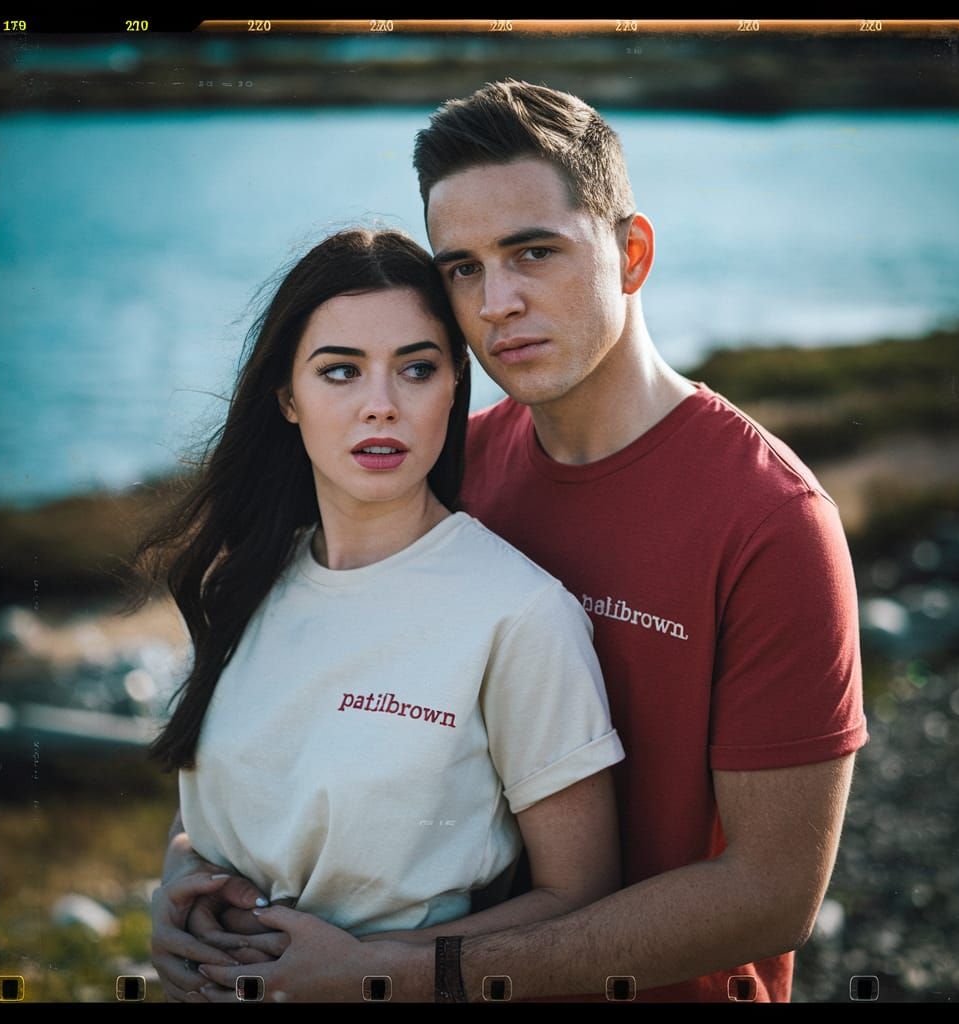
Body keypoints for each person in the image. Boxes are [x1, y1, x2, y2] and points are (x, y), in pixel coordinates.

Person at [155, 81, 868, 1003]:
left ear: (632, 253)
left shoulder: (772, 522)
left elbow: (772, 896)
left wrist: (391, 975)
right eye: (462, 267)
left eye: (534, 252)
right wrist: (190, 877)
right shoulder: (453, 473)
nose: (497, 302)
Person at [144, 226, 625, 1001]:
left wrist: (370, 969)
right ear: (287, 398)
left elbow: (581, 897)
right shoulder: (245, 579)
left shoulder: (521, 615)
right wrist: (175, 888)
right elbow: (219, 811)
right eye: (340, 371)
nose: (381, 406)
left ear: (455, 387)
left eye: (416, 369)